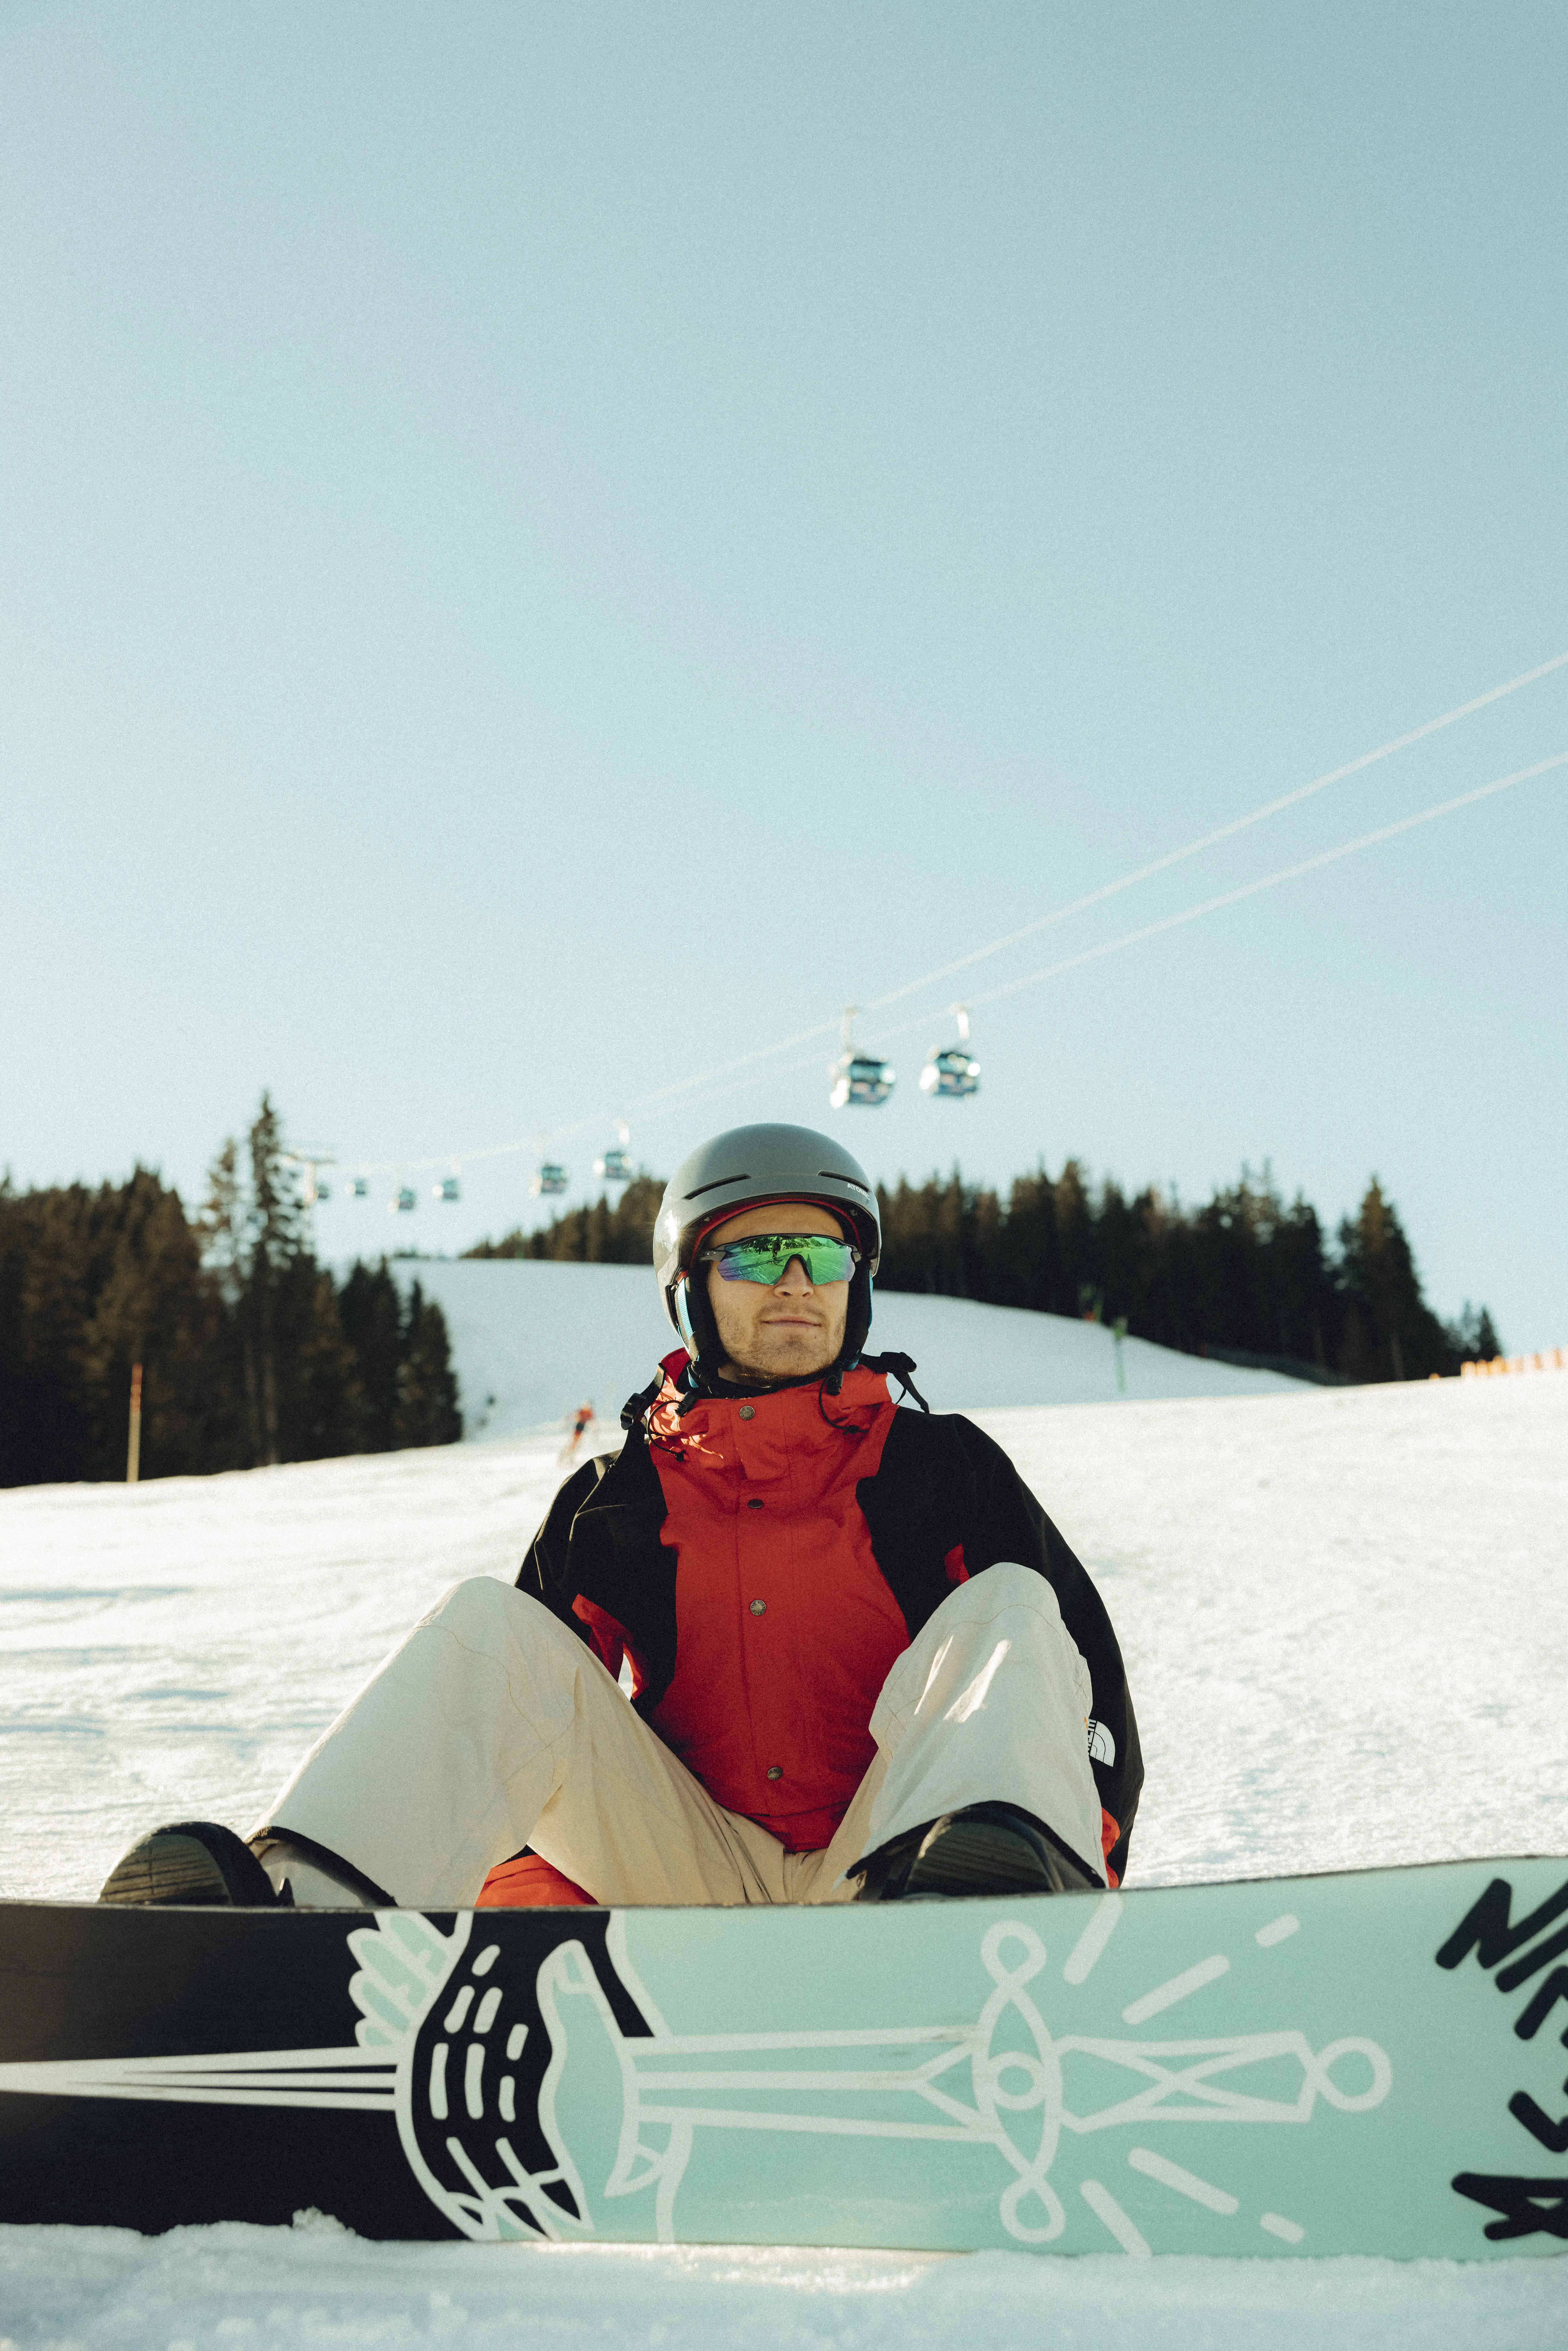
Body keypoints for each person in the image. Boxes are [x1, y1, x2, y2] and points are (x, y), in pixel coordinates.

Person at [100, 1123, 1141, 1911]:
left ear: (857, 1288)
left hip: (896, 1877)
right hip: (685, 1881)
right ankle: (298, 1923)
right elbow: (519, 1736)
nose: (795, 1284)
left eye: (823, 1258)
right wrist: (531, 1949)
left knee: (1011, 1608)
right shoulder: (619, 1499)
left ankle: (1001, 1923)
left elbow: (1077, 1695)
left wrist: (1081, 1859)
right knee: (497, 1633)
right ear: (689, 1287)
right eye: (756, 1255)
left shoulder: (941, 1467)